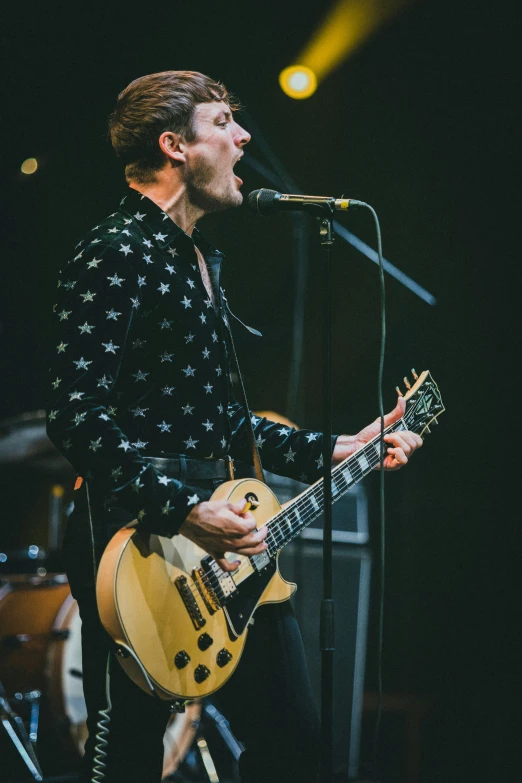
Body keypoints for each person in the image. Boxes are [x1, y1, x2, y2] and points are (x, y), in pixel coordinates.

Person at [46, 70, 422, 783]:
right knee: (128, 758)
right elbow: (77, 412)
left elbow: (218, 414)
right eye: (223, 122)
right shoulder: (116, 249)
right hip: (138, 543)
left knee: (295, 747)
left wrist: (343, 445)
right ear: (174, 145)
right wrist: (185, 511)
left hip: (225, 540)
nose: (243, 137)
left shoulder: (195, 258)